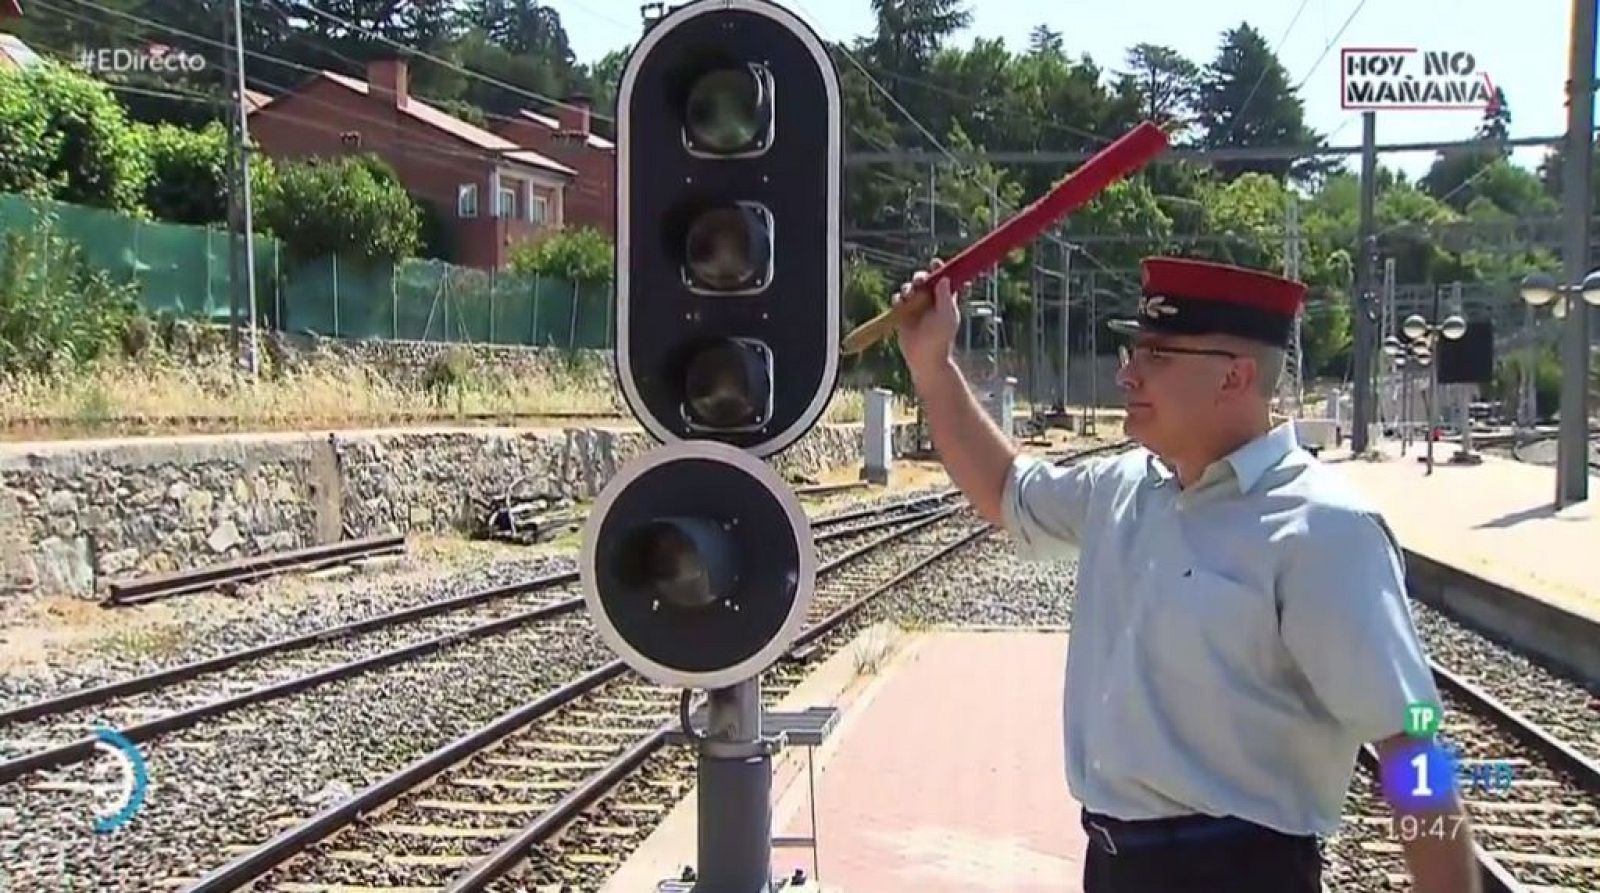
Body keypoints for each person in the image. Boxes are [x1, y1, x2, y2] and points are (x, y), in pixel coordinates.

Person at [891, 255, 1481, 893]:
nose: (1128, 373)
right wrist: (932, 365)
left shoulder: (1322, 530)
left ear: (1236, 376)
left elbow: (1411, 741)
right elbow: (1007, 489)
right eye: (1134, 351)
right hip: (1114, 862)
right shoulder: (1124, 488)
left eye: (1158, 356)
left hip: (1240, 871)